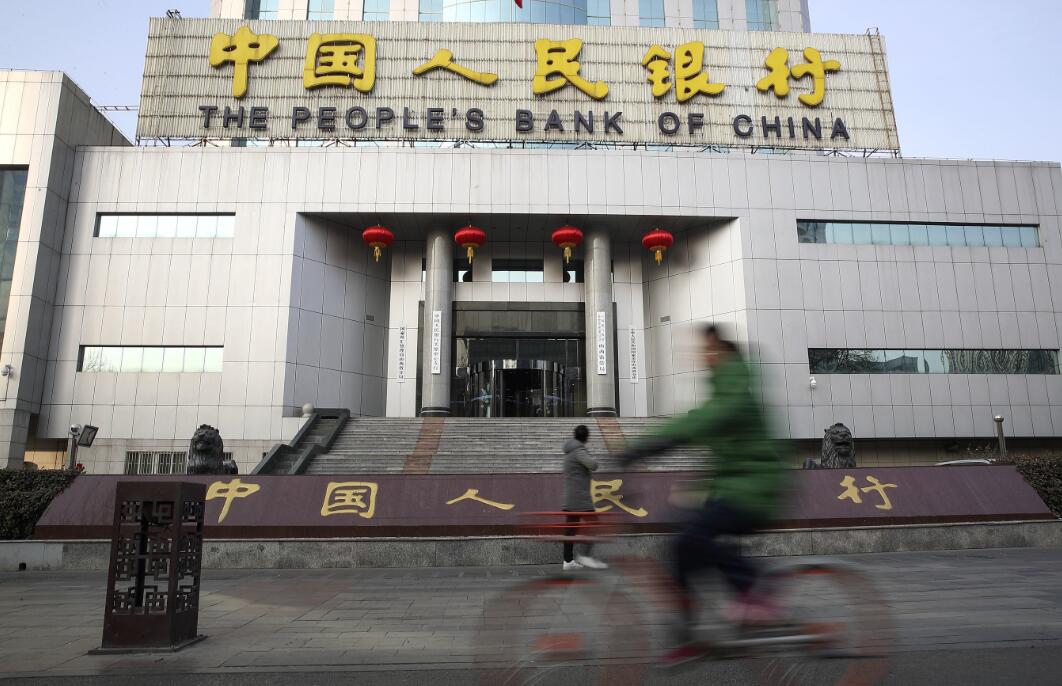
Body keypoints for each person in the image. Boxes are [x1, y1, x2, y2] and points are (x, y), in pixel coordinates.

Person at [619, 324, 787, 665]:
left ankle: (753, 588)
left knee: (692, 539)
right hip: (732, 486)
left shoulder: (737, 391)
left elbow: (705, 421)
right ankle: (689, 634)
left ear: (726, 354)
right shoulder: (722, 392)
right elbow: (703, 423)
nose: (703, 356)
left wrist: (650, 445)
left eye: (710, 350)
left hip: (756, 489)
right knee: (681, 544)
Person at [562, 424, 608, 571]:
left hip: (570, 498)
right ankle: (585, 556)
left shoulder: (569, 451)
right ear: (586, 437)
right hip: (580, 499)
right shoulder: (579, 451)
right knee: (594, 525)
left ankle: (568, 561)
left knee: (570, 530)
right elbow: (593, 465)